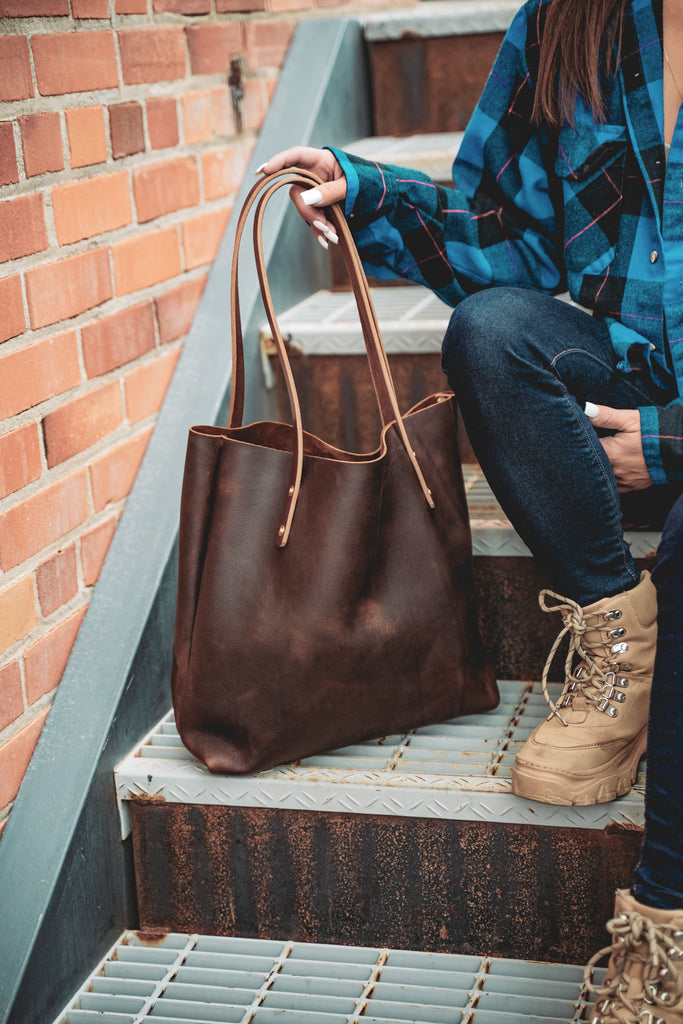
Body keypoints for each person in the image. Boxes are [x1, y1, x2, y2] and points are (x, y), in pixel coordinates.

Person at [260, 0, 683, 1018]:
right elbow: (496, 234)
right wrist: (361, 188)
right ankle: (615, 638)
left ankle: (662, 936)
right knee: (489, 334)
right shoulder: (571, 19)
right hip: (626, 366)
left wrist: (668, 441)